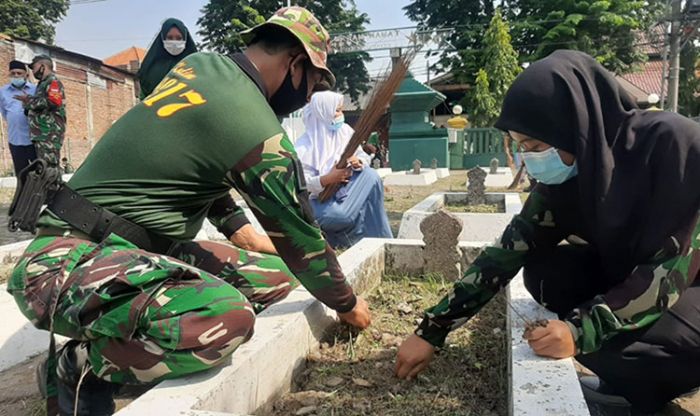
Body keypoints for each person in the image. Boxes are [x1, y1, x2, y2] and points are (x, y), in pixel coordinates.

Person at [7, 7, 370, 416]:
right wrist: (347, 303)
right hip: (63, 265)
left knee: (278, 280)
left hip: (126, 247)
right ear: (295, 63)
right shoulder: (254, 124)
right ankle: (79, 367)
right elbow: (302, 240)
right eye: (314, 82)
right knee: (223, 319)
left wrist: (242, 233)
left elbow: (201, 161)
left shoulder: (202, 67)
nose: (308, 96)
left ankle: (114, 349)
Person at [395, 50, 700, 414]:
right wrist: (432, 329)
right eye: (522, 147)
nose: (531, 160)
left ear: (577, 127)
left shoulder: (675, 146)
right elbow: (506, 253)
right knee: (547, 274)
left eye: (537, 147)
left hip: (686, 284)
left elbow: (667, 271)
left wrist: (578, 331)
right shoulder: (570, 176)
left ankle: (645, 385)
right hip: (639, 279)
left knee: (622, 346)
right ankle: (622, 380)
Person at [295, 90, 393, 248]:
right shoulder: (304, 146)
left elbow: (363, 155)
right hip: (319, 203)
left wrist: (359, 161)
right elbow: (300, 185)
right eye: (337, 110)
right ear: (323, 112)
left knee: (371, 176)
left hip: (346, 192)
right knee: (339, 216)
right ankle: (342, 237)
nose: (341, 114)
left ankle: (381, 238)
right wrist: (327, 179)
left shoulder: (345, 131)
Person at [14, 55, 65, 170]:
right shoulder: (42, 84)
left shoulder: (53, 81)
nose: (32, 71)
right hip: (41, 133)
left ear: (43, 66)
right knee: (43, 168)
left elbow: (54, 101)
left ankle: (54, 188)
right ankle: (48, 188)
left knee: (49, 168)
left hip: (49, 134)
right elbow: (41, 104)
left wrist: (29, 101)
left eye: (34, 67)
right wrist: (28, 105)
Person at [137, 18, 197, 99]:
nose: (174, 42)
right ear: (162, 39)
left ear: (186, 39)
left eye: (179, 38)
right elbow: (144, 99)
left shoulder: (195, 65)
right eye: (170, 37)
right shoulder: (150, 69)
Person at [0, 60, 36, 175]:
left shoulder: (35, 90)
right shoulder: (3, 92)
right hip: (15, 140)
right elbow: (4, 113)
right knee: (21, 174)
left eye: (19, 73)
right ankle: (24, 193)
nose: (16, 76)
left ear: (26, 74)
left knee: (39, 173)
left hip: (34, 140)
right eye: (13, 73)